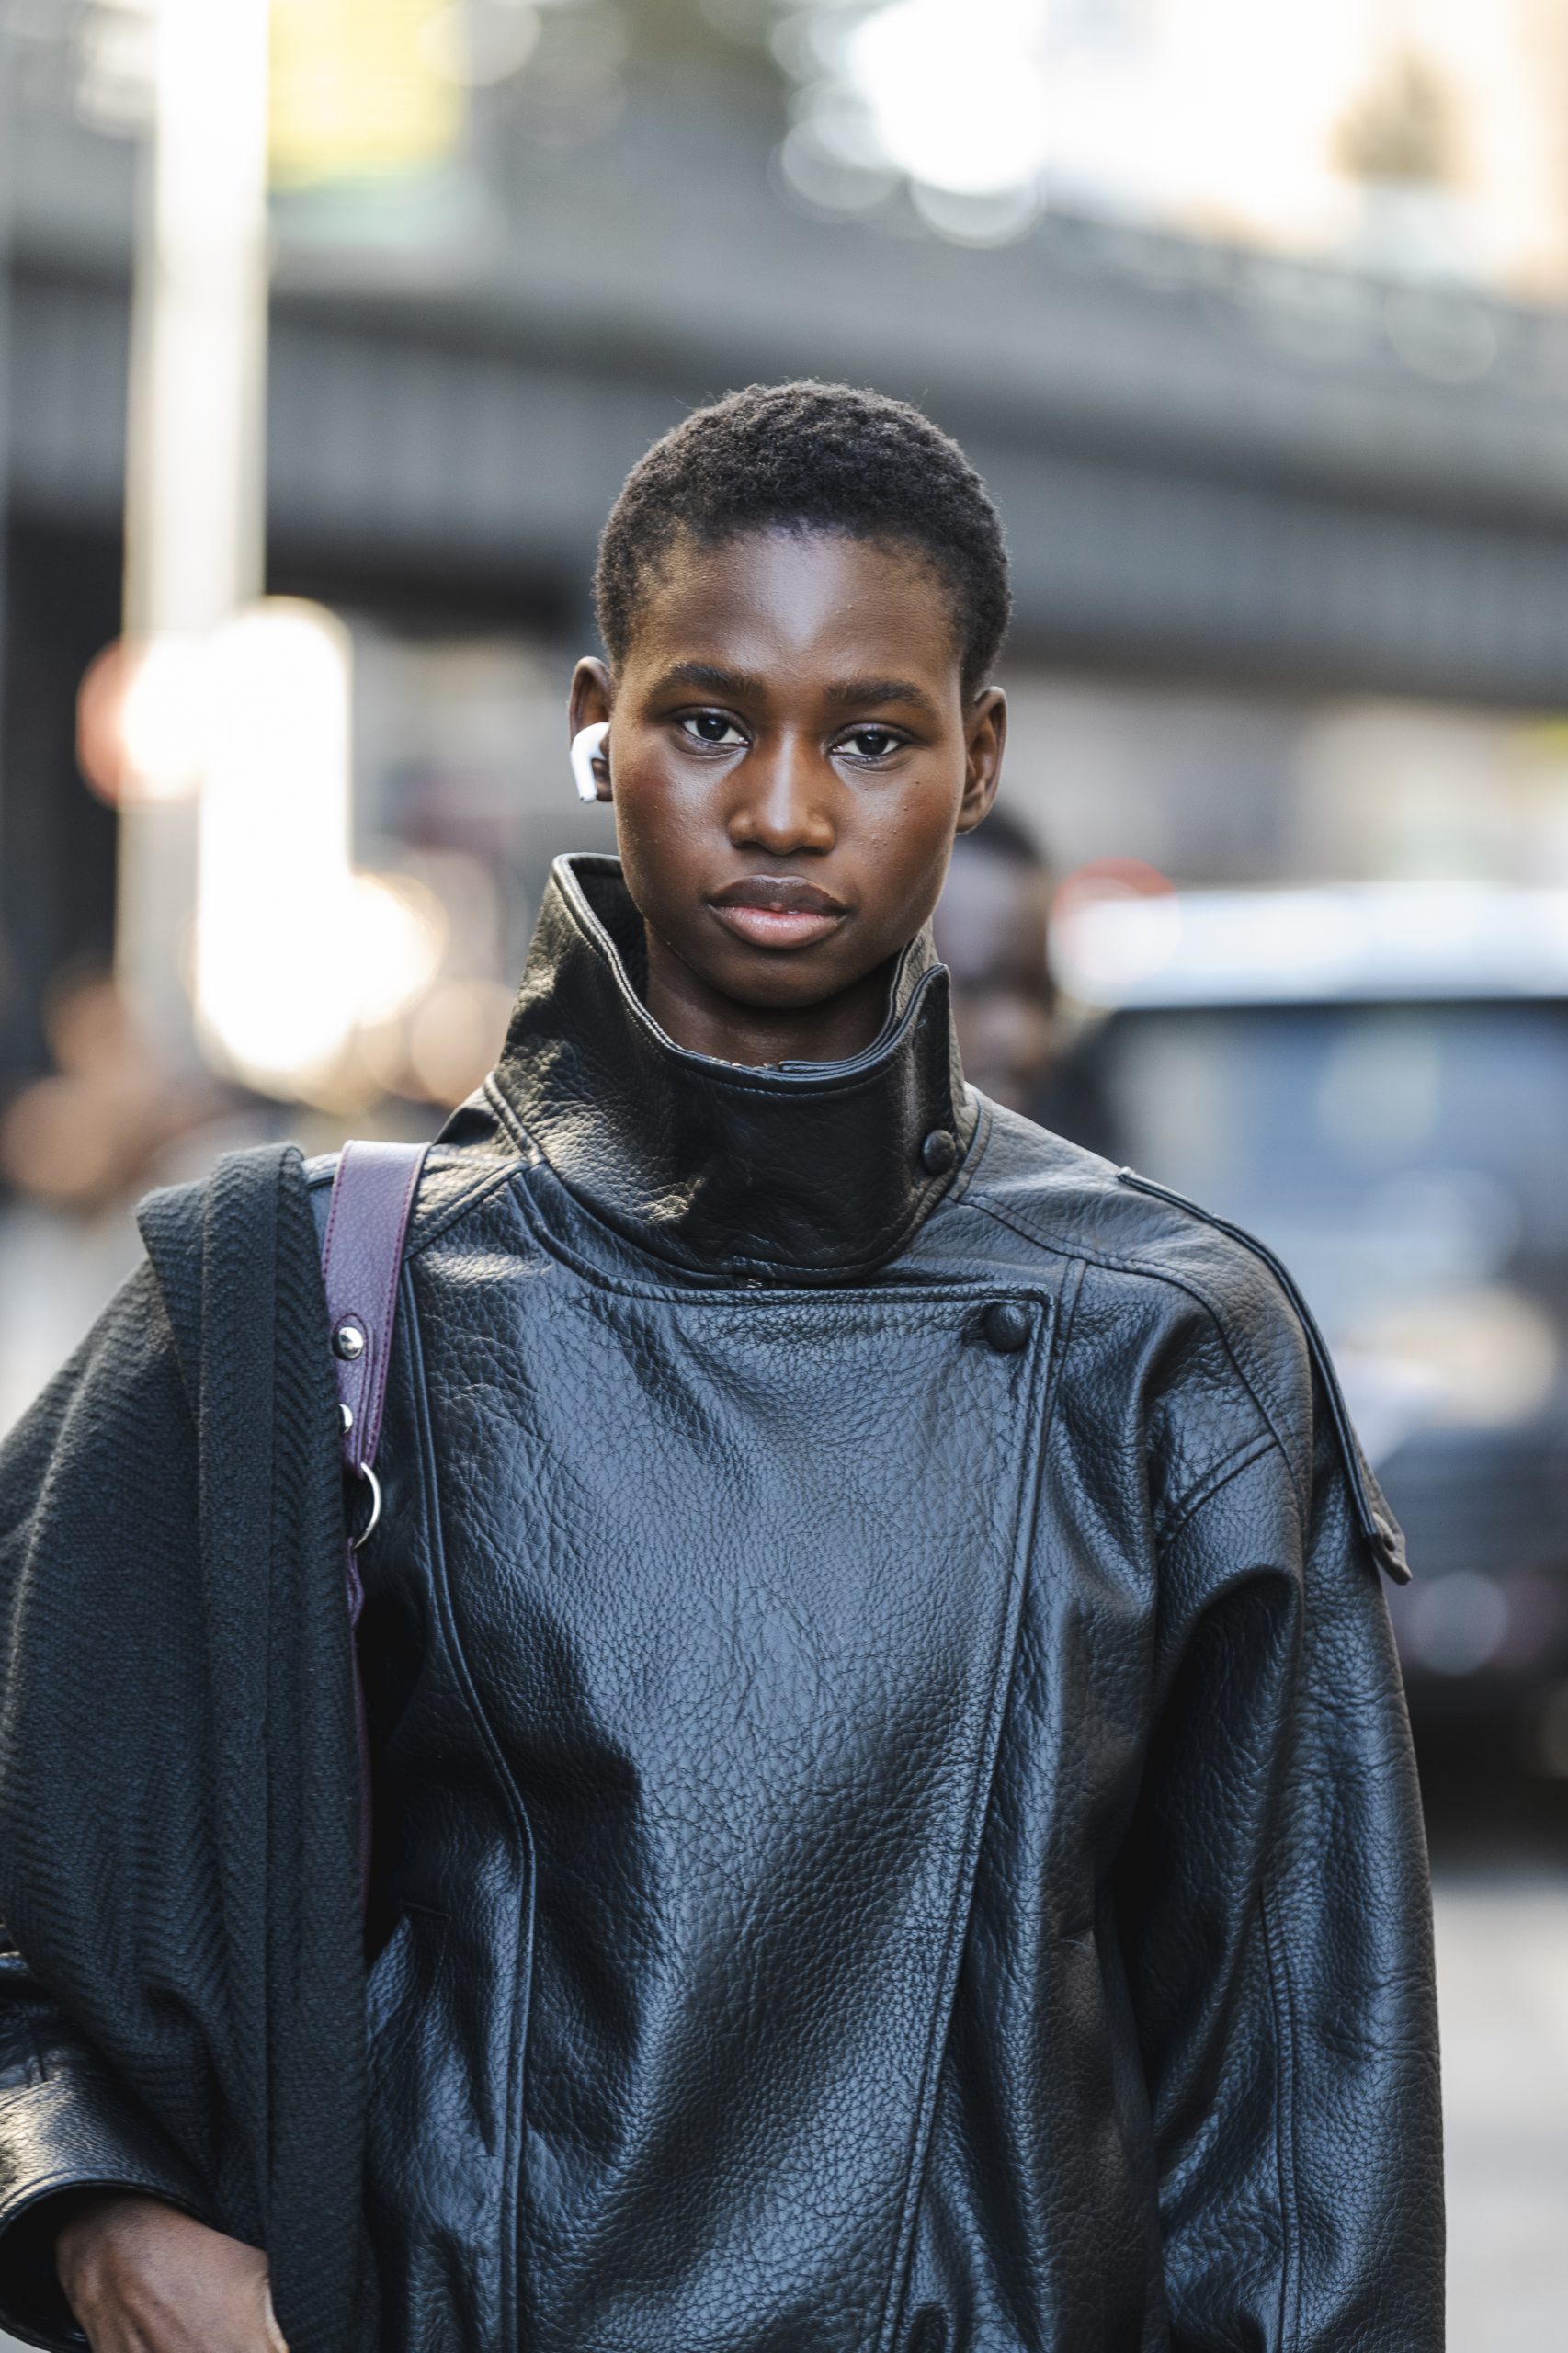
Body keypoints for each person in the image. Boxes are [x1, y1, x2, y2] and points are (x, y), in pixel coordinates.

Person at [0, 382, 1441, 2353]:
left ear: (976, 747)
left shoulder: (1174, 1343)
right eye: (705, 719)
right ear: (595, 721)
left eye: (870, 733)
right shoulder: (304, 1291)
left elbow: (1299, 2149)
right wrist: (98, 2223)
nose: (780, 806)